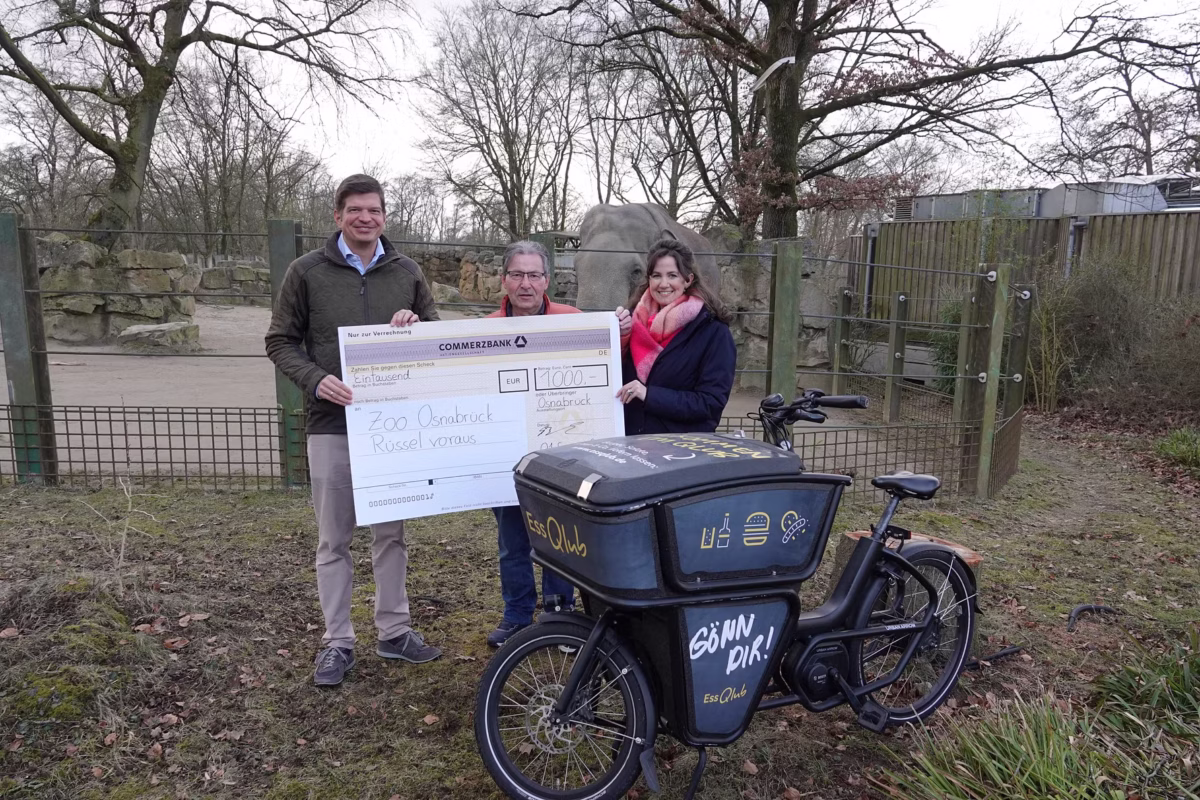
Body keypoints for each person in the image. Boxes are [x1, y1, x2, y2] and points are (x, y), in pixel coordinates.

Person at [265, 174, 443, 687]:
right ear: (338, 215)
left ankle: (394, 631)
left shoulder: (406, 271)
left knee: (391, 535)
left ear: (384, 216)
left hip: (393, 427)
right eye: (356, 210)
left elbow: (437, 336)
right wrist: (317, 380)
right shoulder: (306, 272)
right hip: (332, 425)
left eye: (375, 210)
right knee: (334, 539)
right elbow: (280, 341)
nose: (366, 218)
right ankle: (337, 641)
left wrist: (417, 325)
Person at [484, 240, 632, 647]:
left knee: (560, 537)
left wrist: (618, 333)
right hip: (508, 459)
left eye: (534, 275)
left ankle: (558, 613)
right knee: (512, 540)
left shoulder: (572, 320)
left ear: (547, 280)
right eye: (517, 274)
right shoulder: (484, 330)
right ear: (504, 280)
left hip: (561, 459)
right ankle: (516, 615)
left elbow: (606, 357)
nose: (526, 284)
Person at [616, 238, 736, 434]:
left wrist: (649, 395)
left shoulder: (714, 332)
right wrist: (620, 337)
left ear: (687, 280)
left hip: (680, 451)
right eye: (656, 275)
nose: (664, 284)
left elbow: (710, 403)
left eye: (672, 275)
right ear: (649, 279)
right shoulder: (632, 322)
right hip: (629, 445)